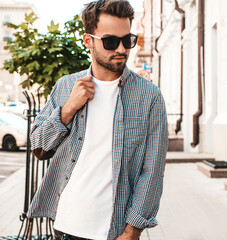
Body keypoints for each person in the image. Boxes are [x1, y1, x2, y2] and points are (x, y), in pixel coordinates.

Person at [27, 0, 169, 239]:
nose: (122, 49)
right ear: (88, 41)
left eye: (128, 40)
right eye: (111, 41)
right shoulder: (66, 86)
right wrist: (67, 110)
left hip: (113, 231)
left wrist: (133, 230)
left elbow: (152, 170)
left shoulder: (149, 97)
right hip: (65, 225)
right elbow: (38, 146)